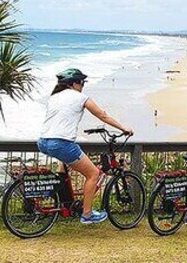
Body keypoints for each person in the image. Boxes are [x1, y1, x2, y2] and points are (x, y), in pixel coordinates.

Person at [37, 68, 134, 224]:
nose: (82, 86)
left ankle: (66, 202)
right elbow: (102, 115)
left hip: (43, 142)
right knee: (93, 174)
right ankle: (87, 215)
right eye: (81, 82)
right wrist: (123, 129)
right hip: (62, 143)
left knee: (65, 163)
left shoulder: (54, 97)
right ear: (74, 83)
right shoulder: (80, 97)